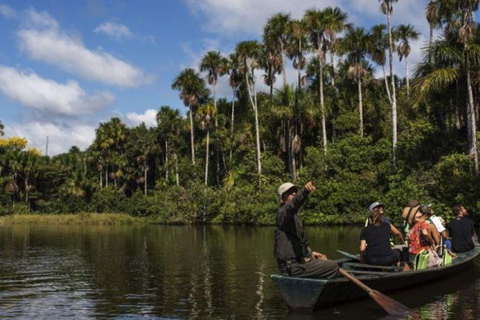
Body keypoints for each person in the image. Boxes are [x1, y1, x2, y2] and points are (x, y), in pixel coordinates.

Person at [274, 181, 339, 278]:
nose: (294, 193)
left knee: (329, 262)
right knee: (333, 266)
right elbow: (294, 204)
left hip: (298, 263)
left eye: (295, 191)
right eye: (290, 192)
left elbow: (298, 241)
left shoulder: (294, 217)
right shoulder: (283, 213)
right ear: (283, 198)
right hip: (291, 267)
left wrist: (310, 253)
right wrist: (305, 191)